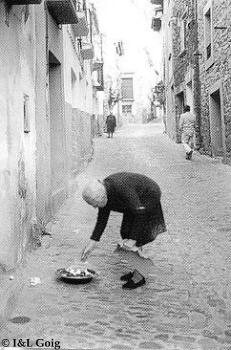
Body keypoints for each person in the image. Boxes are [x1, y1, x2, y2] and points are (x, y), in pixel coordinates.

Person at [81, 172, 167, 290]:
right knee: (126, 231)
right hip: (134, 201)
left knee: (137, 236)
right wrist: (92, 243)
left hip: (148, 195)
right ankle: (138, 268)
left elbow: (140, 214)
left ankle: (139, 277)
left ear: (101, 198)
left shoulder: (122, 189)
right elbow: (102, 220)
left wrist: (133, 239)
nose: (95, 207)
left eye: (95, 204)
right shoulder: (104, 192)